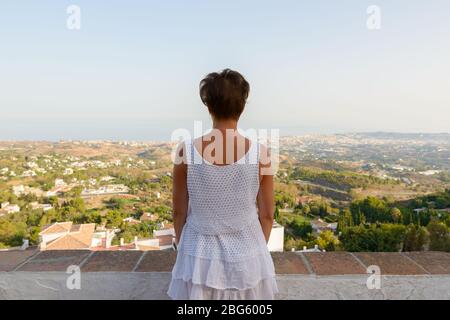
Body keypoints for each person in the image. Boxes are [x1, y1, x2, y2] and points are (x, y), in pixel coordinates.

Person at [168, 69, 278, 300]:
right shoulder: (262, 154)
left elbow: (179, 213)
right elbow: (267, 215)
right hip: (247, 253)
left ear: (208, 106)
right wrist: (255, 252)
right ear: (242, 107)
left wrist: (184, 251)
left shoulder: (185, 151)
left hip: (197, 255)